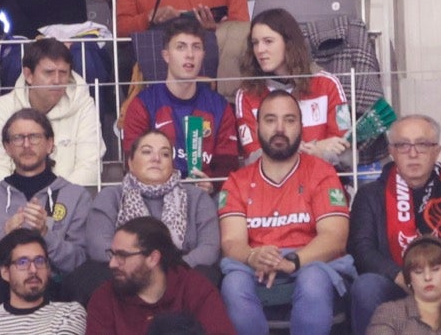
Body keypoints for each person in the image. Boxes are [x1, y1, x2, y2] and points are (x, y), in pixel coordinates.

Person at [216, 90, 355, 335]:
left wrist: (293, 261)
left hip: (310, 262)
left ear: (301, 126)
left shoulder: (322, 172)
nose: (280, 128)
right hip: (255, 264)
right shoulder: (237, 181)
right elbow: (231, 241)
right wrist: (252, 257)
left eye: (289, 120)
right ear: (258, 126)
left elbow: (334, 238)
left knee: (312, 280)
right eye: (270, 120)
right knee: (233, 283)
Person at [348, 115, 441, 335]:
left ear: (437, 150)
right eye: (403, 145)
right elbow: (361, 249)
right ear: (392, 151)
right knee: (366, 287)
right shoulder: (370, 195)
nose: (413, 153)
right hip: (396, 282)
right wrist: (402, 276)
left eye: (422, 144)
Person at [69, 131, 223, 301]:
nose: (156, 158)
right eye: (147, 151)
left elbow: (209, 247)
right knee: (88, 276)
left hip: (180, 268)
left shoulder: (196, 197)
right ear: (131, 163)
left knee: (206, 275)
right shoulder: (111, 196)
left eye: (165, 154)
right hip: (125, 269)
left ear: (172, 164)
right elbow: (98, 246)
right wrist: (137, 265)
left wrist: (166, 268)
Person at [0, 108, 93, 304]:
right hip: (3, 292)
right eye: (17, 138)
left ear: (50, 144)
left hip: (56, 289)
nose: (26, 144)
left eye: (34, 137)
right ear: (7, 147)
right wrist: (4, 245)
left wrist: (45, 235)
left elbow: (83, 266)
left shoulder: (76, 196)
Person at [121, 16, 242, 181]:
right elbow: (132, 162)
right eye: (181, 47)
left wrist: (212, 184)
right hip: (156, 193)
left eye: (196, 47)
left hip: (204, 196)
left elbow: (228, 165)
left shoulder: (219, 106)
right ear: (166, 55)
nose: (190, 55)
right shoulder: (143, 104)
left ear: (203, 55)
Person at [233, 7, 350, 166]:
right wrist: (317, 148)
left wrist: (291, 151)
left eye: (268, 41)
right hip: (271, 186)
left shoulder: (329, 84)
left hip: (320, 181)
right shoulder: (246, 94)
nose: (260, 50)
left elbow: (347, 153)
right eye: (255, 43)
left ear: (289, 43)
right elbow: (253, 158)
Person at [0, 37, 104, 189]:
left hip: (67, 205)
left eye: (63, 73)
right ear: (29, 75)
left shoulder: (84, 104)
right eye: (49, 73)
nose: (57, 80)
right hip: (13, 205)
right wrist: (19, 201)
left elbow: (90, 169)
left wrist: (54, 200)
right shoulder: (4, 106)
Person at [87, 216, 236, 335]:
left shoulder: (196, 289)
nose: (112, 263)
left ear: (153, 258)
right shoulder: (104, 299)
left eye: (122, 256)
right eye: (112, 254)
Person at [0, 230, 88, 335]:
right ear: (5, 272)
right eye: (23, 262)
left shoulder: (69, 313)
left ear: (48, 269)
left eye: (39, 261)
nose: (33, 270)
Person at [365, 237, 441, 335]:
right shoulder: (388, 314)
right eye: (418, 272)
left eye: (435, 269)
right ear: (409, 278)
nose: (427, 277)